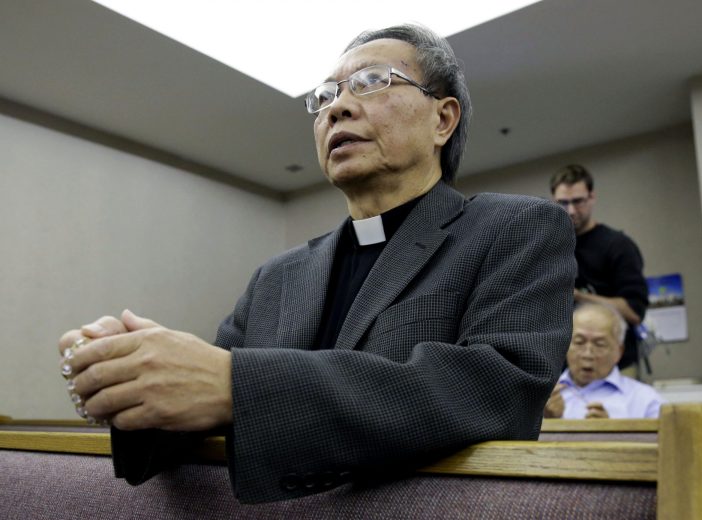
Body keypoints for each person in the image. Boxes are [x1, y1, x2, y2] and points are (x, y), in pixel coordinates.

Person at [58, 24, 576, 504]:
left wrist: (239, 385)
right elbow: (207, 402)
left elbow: (498, 391)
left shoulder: (514, 228)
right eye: (326, 97)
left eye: (372, 82)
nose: (337, 109)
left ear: (442, 119)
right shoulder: (278, 277)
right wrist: (130, 380)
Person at [549, 164, 648, 371]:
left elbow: (633, 312)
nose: (571, 210)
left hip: (616, 368)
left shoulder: (618, 245)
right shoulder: (551, 248)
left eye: (578, 201)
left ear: (592, 197)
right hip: (564, 370)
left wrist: (578, 296)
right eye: (563, 203)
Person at [544, 303, 663, 419]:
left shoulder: (646, 400)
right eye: (579, 342)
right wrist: (545, 421)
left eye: (599, 344)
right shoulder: (541, 395)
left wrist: (608, 432)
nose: (587, 353)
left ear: (619, 351)